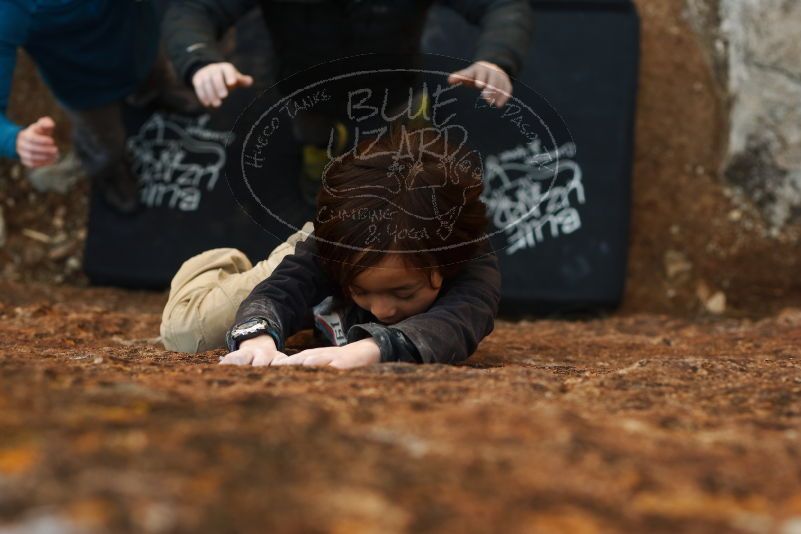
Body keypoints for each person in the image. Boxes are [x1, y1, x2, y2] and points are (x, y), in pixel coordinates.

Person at [160, 126, 501, 368]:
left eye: (403, 292)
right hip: (320, 245)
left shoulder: (469, 261)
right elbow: (282, 290)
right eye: (361, 290)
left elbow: (459, 321)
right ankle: (224, 263)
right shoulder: (329, 249)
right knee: (188, 335)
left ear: (447, 263)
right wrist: (259, 336)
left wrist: (371, 350)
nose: (382, 310)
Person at [163, 0, 533, 202]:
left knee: (411, 166)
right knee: (316, 142)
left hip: (394, 83)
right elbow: (193, 10)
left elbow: (502, 6)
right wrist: (200, 59)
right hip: (308, 86)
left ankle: (408, 140)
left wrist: (496, 58)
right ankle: (317, 159)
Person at [0, 0, 194, 213]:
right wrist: (14, 139)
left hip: (140, 45)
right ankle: (110, 175)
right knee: (103, 146)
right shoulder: (10, 9)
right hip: (85, 89)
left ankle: (152, 95)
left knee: (154, 77)